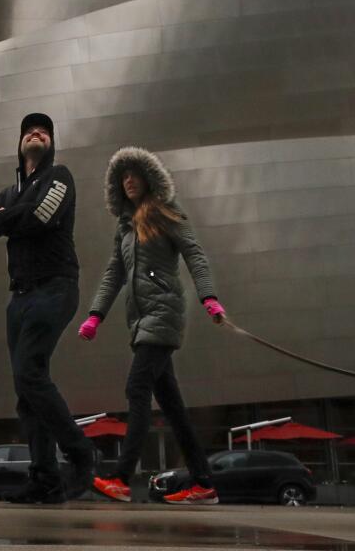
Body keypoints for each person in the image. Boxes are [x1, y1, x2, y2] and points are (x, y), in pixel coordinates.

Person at [79, 146, 225, 505]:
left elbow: (194, 253)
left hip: (163, 315)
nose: (128, 180)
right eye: (122, 175)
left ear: (149, 178)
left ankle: (122, 478)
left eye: (134, 173)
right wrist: (96, 314)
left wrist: (209, 297)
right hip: (140, 320)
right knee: (173, 407)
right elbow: (115, 272)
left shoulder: (167, 213)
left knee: (137, 388)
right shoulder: (125, 228)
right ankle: (204, 484)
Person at [0, 112, 96, 504]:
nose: (36, 133)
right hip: (20, 297)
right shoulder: (10, 191)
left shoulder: (60, 176)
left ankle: (80, 452)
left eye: (44, 131)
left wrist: (7, 219)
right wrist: (15, 216)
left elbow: (43, 216)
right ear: (19, 142)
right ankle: (45, 480)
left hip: (56, 288)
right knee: (25, 391)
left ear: (51, 144)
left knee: (29, 372)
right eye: (30, 129)